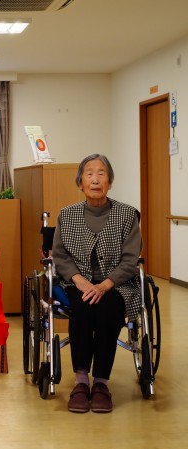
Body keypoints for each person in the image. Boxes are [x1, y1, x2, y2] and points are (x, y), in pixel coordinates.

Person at [52, 154, 142, 414]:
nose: (95, 179)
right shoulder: (67, 215)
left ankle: (101, 382)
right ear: (80, 182)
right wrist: (79, 280)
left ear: (110, 182)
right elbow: (59, 256)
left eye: (101, 173)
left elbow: (131, 259)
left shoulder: (127, 214)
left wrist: (106, 284)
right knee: (81, 308)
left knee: (108, 308)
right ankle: (81, 381)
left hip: (116, 284)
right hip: (76, 282)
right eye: (89, 174)